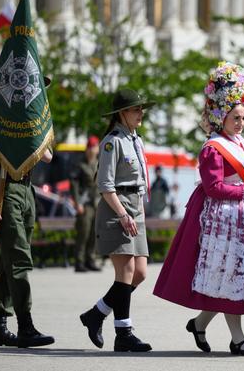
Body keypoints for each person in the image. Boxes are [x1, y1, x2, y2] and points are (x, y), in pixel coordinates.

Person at [153, 62, 244, 356]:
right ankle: (237, 339)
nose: (240, 123)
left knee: (228, 279)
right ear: (222, 116)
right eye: (235, 117)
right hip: (221, 219)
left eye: (243, 117)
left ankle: (199, 324)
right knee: (228, 276)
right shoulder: (213, 147)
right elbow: (213, 187)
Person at [79, 88, 155, 352]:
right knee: (125, 273)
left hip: (135, 207)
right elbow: (105, 184)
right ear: (122, 113)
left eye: (141, 108)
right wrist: (123, 213)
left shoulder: (136, 140)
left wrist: (139, 212)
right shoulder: (112, 141)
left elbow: (141, 181)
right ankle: (123, 333)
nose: (140, 113)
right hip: (117, 207)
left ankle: (96, 314)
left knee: (141, 273)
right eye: (136, 109)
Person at [0, 135, 55, 348]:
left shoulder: (29, 122)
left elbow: (48, 156)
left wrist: (34, 132)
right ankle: (25, 325)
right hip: (6, 188)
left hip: (27, 188)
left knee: (7, 261)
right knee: (19, 258)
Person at [70, 135, 101, 273]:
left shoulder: (100, 164)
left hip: (97, 203)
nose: (91, 150)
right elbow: (74, 184)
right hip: (85, 204)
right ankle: (79, 262)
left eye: (93, 147)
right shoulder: (80, 164)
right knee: (83, 233)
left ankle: (90, 260)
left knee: (94, 233)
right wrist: (77, 203)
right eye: (89, 147)